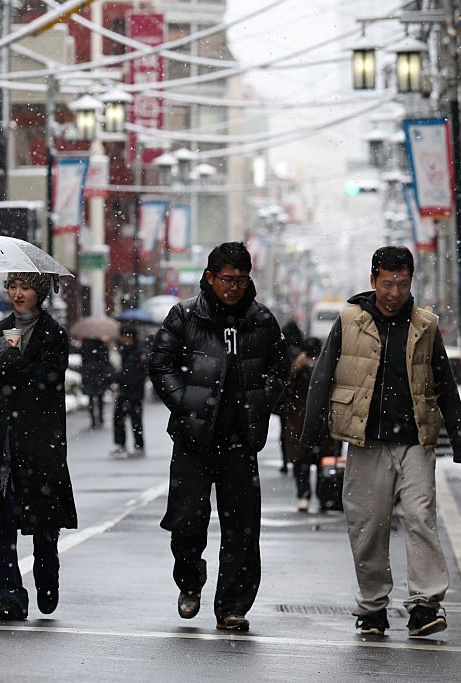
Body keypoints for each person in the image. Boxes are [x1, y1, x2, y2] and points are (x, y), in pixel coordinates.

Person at [301, 245, 461, 639]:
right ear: (373, 280)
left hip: (414, 441)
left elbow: (444, 382)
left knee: (420, 516)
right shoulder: (348, 321)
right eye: (388, 283)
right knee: (367, 526)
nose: (395, 292)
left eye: (403, 284)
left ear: (411, 281)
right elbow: (322, 378)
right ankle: (373, 606)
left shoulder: (425, 324)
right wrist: (310, 435)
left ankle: (425, 605)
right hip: (366, 441)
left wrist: (458, 439)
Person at [148, 242, 289, 632]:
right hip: (193, 439)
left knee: (242, 527)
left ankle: (232, 606)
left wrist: (258, 401)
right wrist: (186, 402)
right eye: (227, 279)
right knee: (187, 521)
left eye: (241, 280)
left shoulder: (261, 320)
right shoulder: (186, 315)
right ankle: (189, 580)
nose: (234, 287)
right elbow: (160, 365)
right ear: (210, 278)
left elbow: (280, 369)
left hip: (240, 439)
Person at [0, 272, 78, 621]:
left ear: (40, 293)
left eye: (26, 287)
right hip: (2, 440)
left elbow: (47, 381)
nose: (17, 293)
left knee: (43, 521)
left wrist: (11, 362)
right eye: (13, 286)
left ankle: (47, 577)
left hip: (39, 439)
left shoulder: (54, 335)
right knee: (3, 523)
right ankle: (9, 595)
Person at [280, 337, 336, 512]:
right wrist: (295, 369)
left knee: (317, 462)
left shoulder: (325, 368)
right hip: (307, 422)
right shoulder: (302, 370)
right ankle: (310, 495)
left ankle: (314, 496)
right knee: (305, 461)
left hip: (313, 422)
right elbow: (284, 391)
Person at [111, 326, 148, 458]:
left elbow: (139, 372)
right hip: (125, 390)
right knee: (119, 417)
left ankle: (139, 445)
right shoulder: (125, 349)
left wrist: (122, 378)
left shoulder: (140, 351)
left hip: (135, 391)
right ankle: (121, 444)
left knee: (135, 418)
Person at [276, 320, 305, 473]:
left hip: (286, 401)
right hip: (298, 401)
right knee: (296, 431)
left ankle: (286, 461)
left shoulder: (283, 349)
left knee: (284, 432)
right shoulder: (301, 352)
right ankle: (295, 459)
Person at [80, 338, 114, 429]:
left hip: (89, 373)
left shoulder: (85, 344)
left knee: (91, 397)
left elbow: (83, 358)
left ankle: (93, 420)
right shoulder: (102, 344)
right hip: (99, 373)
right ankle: (100, 418)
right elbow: (106, 359)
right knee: (100, 396)